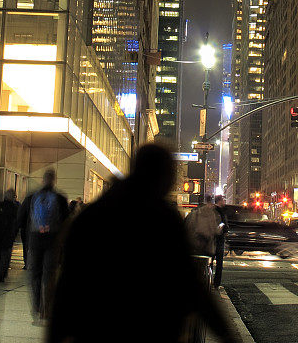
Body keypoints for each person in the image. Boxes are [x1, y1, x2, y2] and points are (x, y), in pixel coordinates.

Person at [49, 143, 236, 343]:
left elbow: (67, 289)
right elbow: (190, 282)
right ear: (160, 176)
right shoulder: (164, 220)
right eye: (170, 174)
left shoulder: (89, 217)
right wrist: (225, 333)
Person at [18, 169, 68, 319]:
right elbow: (66, 220)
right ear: (54, 180)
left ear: (42, 180)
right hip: (52, 241)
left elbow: (20, 219)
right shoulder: (60, 198)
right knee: (50, 274)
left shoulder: (32, 197)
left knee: (35, 274)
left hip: (35, 240)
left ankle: (37, 306)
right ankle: (47, 308)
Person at [0, 188, 20, 282]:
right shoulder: (14, 208)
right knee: (6, 255)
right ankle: (2, 273)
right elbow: (16, 221)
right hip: (9, 234)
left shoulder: (0, 205)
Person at [212, 195, 229, 288]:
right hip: (219, 239)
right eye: (223, 200)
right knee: (219, 262)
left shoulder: (212, 211)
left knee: (210, 260)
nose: (224, 201)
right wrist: (225, 229)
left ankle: (209, 279)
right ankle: (216, 283)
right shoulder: (220, 211)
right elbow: (224, 225)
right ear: (219, 201)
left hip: (212, 239)